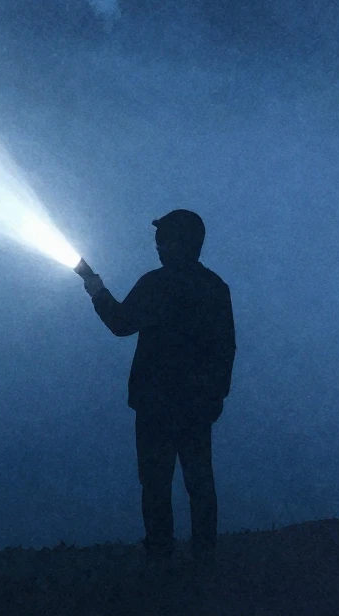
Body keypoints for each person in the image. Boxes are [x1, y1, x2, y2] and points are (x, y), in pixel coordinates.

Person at [74, 209, 235, 566]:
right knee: (199, 482)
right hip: (196, 404)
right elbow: (226, 348)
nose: (157, 246)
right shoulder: (213, 287)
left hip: (155, 403)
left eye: (162, 240)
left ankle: (160, 556)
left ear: (177, 243)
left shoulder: (157, 284)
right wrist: (215, 395)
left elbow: (120, 323)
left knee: (155, 483)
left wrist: (94, 285)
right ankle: (204, 557)